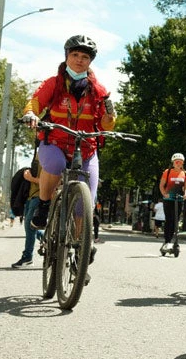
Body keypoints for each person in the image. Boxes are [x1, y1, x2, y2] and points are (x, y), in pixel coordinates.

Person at [22, 35, 116, 238]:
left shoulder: (98, 91)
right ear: (66, 57)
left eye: (84, 56)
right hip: (54, 142)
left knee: (85, 204)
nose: (79, 60)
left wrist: (110, 117)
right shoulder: (54, 83)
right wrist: (31, 114)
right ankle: (44, 206)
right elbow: (35, 103)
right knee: (55, 165)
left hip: (86, 148)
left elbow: (105, 124)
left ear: (90, 61)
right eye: (75, 55)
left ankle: (79, 247)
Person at [11, 155, 42, 268]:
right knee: (30, 226)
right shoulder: (39, 153)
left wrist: (31, 179)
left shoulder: (51, 154)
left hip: (39, 196)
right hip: (30, 197)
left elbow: (52, 181)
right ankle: (49, 241)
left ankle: (27, 257)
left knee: (30, 227)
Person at [159, 153, 186, 252]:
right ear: (173, 163)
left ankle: (173, 240)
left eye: (180, 162)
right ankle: (167, 241)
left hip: (178, 199)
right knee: (169, 219)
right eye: (176, 162)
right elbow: (161, 185)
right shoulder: (167, 172)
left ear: (182, 163)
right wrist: (164, 194)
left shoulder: (185, 174)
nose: (178, 164)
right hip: (168, 199)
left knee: (176, 221)